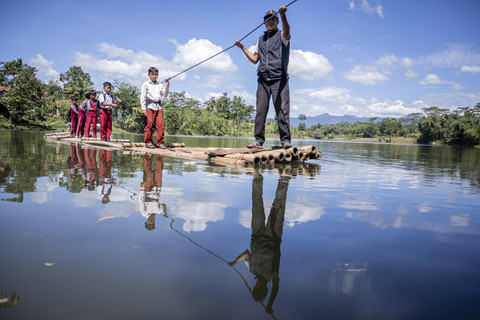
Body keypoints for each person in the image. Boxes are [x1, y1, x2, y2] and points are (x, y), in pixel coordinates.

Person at [228, 174, 289, 316]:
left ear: (254, 286)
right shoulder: (272, 276)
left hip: (256, 235)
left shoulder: (252, 270)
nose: (258, 286)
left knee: (256, 205)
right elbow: (276, 286)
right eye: (260, 290)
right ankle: (284, 179)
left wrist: (235, 262)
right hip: (272, 237)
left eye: (256, 288)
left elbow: (246, 254)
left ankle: (257, 177)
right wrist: (270, 304)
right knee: (277, 208)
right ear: (265, 289)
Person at [235, 5, 293, 149]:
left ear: (277, 21)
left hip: (279, 79)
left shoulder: (281, 36)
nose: (270, 21)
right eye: (267, 19)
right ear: (264, 22)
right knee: (260, 111)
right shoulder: (260, 40)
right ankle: (258, 141)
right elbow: (255, 59)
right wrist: (242, 47)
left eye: (273, 19)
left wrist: (283, 15)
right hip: (263, 80)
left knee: (282, 111)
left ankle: (285, 141)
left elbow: (287, 32)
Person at [140, 67, 170, 149]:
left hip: (158, 106)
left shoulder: (160, 85)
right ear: (149, 74)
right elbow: (143, 97)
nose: (154, 76)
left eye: (156, 74)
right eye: (152, 74)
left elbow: (165, 95)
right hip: (149, 106)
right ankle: (148, 142)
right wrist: (143, 108)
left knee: (160, 125)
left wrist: (167, 86)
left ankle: (160, 142)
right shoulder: (146, 84)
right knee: (149, 125)